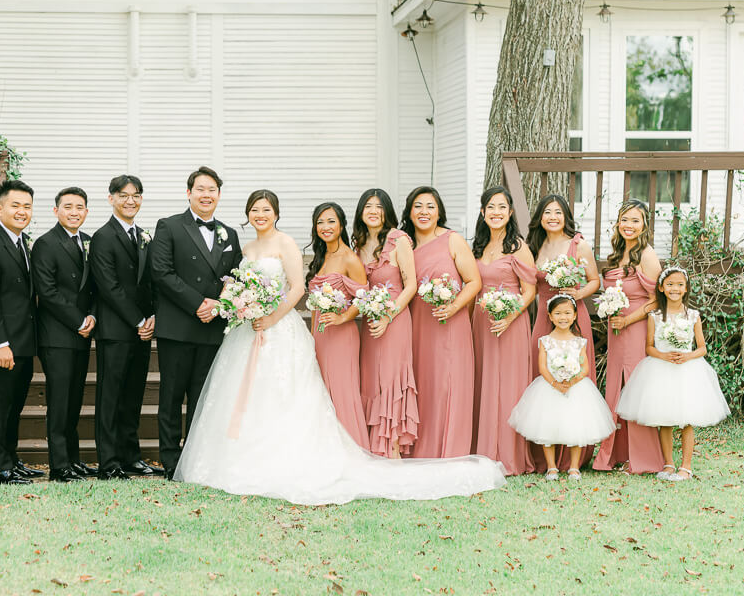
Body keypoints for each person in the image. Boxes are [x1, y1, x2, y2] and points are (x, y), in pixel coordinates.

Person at [174, 190, 507, 505]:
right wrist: (241, 305)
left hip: (330, 327)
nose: (261, 215)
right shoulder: (259, 249)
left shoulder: (366, 246)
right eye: (255, 210)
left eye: (267, 209)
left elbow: (319, 290)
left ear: (277, 214)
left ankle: (383, 449)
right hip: (266, 332)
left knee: (353, 387)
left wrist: (364, 314)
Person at [150, 167, 243, 480]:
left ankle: (196, 457)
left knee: (203, 398)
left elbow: (236, 274)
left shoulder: (229, 233)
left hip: (212, 328)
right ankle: (171, 461)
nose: (206, 195)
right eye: (200, 189)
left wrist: (219, 304)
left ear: (218, 194)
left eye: (212, 189)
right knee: (172, 396)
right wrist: (197, 303)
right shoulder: (169, 226)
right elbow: (162, 273)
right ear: (188, 192)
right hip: (177, 327)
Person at [616, 267, 729, 481]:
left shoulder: (693, 316)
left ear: (686, 289)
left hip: (687, 370)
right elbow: (649, 347)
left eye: (679, 284)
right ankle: (668, 464)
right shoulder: (655, 316)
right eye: (670, 284)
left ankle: (685, 466)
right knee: (665, 419)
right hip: (661, 369)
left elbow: (702, 347)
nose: (674, 288)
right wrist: (663, 355)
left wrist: (688, 356)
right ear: (661, 288)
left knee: (687, 419)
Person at [90, 174, 163, 479]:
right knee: (111, 396)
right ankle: (109, 462)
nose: (130, 200)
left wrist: (153, 317)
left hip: (143, 331)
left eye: (136, 195)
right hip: (116, 330)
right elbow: (109, 287)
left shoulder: (144, 236)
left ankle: (131, 456)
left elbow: (153, 280)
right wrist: (137, 320)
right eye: (123, 195)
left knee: (133, 395)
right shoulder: (103, 237)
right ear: (111, 199)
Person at [401, 186, 480, 460]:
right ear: (410, 212)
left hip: (451, 325)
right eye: (418, 206)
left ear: (439, 212)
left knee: (449, 385)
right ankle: (422, 449)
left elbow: (474, 282)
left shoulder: (452, 240)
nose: (424, 212)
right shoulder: (405, 245)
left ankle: (451, 450)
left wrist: (455, 307)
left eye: (430, 206)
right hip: (418, 327)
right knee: (425, 385)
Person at [0, 179, 42, 484]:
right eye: (15, 205)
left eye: (27, 206)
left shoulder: (21, 242)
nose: (21, 211)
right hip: (2, 344)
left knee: (14, 406)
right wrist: (1, 343)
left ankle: (11, 461)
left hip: (23, 341)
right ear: (0, 209)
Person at [525, 194, 599, 472]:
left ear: (566, 216)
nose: (552, 217)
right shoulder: (534, 246)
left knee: (575, 381)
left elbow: (595, 280)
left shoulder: (578, 245)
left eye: (558, 212)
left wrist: (577, 293)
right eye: (547, 212)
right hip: (544, 319)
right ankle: (545, 455)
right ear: (540, 218)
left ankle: (573, 458)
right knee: (542, 379)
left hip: (573, 318)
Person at [593, 200, 666, 474]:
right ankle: (616, 453)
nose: (628, 225)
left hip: (636, 329)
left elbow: (656, 300)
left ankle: (644, 457)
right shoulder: (617, 253)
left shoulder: (647, 255)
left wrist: (628, 319)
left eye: (635, 220)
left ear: (644, 224)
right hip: (616, 330)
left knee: (635, 387)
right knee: (616, 387)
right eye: (624, 219)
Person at [508, 294, 615, 482]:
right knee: (546, 427)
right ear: (550, 316)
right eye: (558, 313)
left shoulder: (579, 341)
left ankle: (574, 467)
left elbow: (585, 368)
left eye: (567, 313)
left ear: (574, 316)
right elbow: (542, 367)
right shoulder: (546, 341)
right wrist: (556, 383)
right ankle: (551, 467)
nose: (563, 317)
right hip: (549, 387)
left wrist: (571, 382)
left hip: (576, 388)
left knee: (577, 427)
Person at [31, 186, 98, 482]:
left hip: (82, 333)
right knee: (59, 402)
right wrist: (78, 320)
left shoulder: (88, 242)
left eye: (80, 207)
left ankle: (73, 459)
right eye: (68, 207)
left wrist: (92, 315)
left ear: (86, 211)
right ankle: (59, 466)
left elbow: (96, 285)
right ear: (56, 210)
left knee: (74, 400)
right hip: (57, 335)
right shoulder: (46, 244)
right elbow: (47, 291)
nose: (74, 212)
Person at [470, 185, 537, 476]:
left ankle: (509, 456)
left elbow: (530, 291)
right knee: (484, 381)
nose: (496, 213)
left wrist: (509, 316)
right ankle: (483, 451)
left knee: (508, 386)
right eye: (491, 207)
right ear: (483, 212)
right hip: (481, 323)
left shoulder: (518, 247)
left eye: (502, 208)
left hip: (510, 322)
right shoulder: (476, 246)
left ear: (510, 213)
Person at [353, 189, 419, 458]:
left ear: (387, 211)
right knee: (372, 380)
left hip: (395, 319)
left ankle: (392, 449)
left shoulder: (398, 240)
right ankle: (374, 448)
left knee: (391, 379)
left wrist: (388, 316)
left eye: (378, 207)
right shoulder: (358, 245)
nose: (372, 211)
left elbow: (411, 284)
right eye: (368, 206)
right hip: (370, 322)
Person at [305, 202, 370, 450]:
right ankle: (328, 450)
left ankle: (352, 449)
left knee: (342, 393)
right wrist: (312, 338)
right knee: (324, 394)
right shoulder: (323, 256)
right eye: (320, 222)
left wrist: (343, 317)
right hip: (321, 337)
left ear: (341, 224)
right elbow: (314, 307)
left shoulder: (349, 258)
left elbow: (364, 297)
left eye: (331, 221)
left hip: (342, 336)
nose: (325, 227)